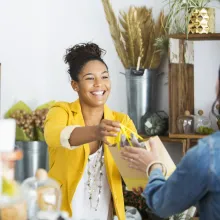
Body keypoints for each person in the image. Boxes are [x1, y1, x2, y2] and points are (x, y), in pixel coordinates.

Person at [44, 42, 136, 220]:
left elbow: (136, 174)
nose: (99, 84)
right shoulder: (61, 111)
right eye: (89, 78)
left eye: (104, 77)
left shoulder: (121, 121)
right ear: (75, 85)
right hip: (61, 214)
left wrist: (149, 166)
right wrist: (95, 132)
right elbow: (54, 135)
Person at [120, 72, 220, 220]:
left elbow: (162, 205)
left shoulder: (207, 154)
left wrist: (153, 167)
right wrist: (152, 185)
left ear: (217, 85)